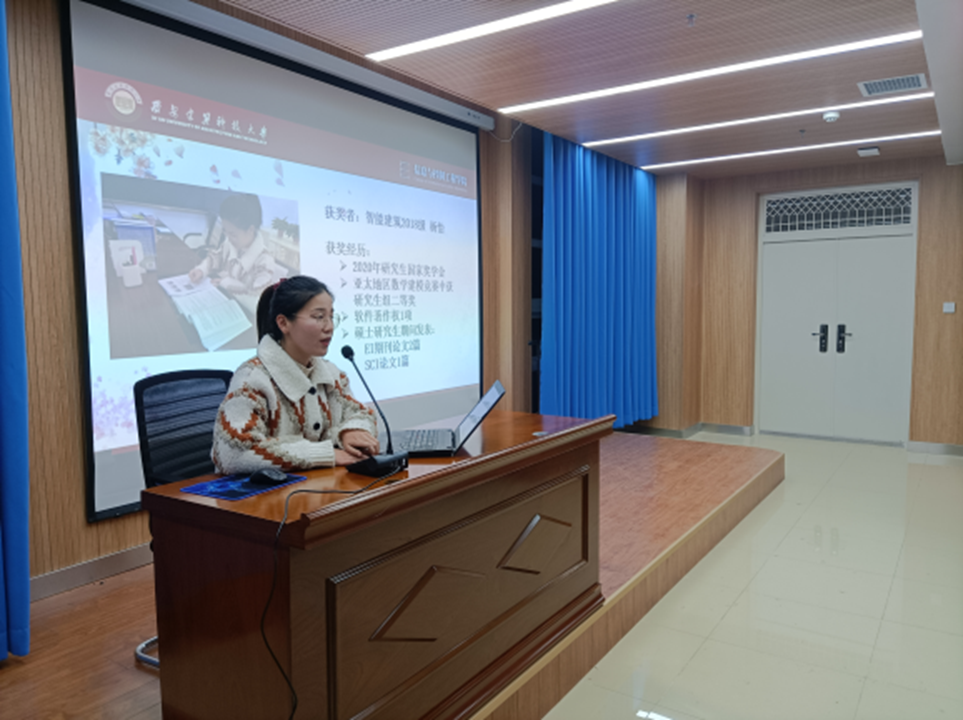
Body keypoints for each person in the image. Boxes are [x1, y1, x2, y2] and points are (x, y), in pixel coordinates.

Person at [212, 275, 380, 473]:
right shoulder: (252, 380)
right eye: (319, 317)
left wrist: (350, 431)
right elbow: (234, 453)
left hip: (319, 485)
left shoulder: (332, 374)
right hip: (265, 492)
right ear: (283, 323)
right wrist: (327, 454)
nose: (329, 327)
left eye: (331, 316)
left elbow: (361, 413)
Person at [189, 193, 280, 296]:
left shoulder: (264, 261)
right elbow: (216, 258)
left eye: (233, 234)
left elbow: (258, 296)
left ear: (250, 230)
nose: (228, 237)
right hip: (224, 297)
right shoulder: (230, 244)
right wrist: (201, 270)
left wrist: (227, 283)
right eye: (225, 231)